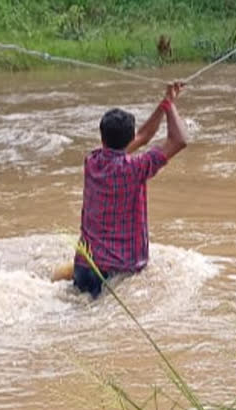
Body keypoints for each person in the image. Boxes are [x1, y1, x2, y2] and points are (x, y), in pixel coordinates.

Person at [73, 81, 190, 298]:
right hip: (116, 276)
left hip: (83, 267)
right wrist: (171, 106)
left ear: (102, 137)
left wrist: (165, 102)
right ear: (129, 138)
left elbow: (143, 137)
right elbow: (180, 140)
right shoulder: (135, 169)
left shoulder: (91, 161)